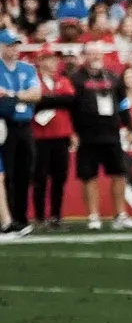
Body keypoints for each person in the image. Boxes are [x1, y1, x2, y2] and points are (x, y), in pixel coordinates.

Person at [69, 52, 132, 229]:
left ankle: (120, 214)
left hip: (112, 133)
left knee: (119, 173)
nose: (95, 57)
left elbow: (123, 103)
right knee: (89, 176)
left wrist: (129, 125)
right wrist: (72, 131)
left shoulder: (113, 77)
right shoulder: (76, 79)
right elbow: (70, 107)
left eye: (98, 53)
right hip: (87, 135)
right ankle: (93, 216)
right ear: (84, 56)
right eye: (92, 53)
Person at [29, 49, 74, 228]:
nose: (54, 62)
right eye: (49, 58)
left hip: (61, 135)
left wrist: (46, 101)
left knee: (59, 178)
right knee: (40, 178)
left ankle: (56, 215)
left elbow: (70, 100)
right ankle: (40, 216)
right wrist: (56, 100)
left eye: (55, 58)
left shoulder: (63, 80)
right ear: (39, 61)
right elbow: (35, 101)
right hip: (39, 137)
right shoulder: (34, 82)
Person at [0, 30, 36, 231]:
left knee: (25, 171)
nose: (14, 49)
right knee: (7, 173)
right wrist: (22, 96)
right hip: (5, 125)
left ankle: (21, 217)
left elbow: (36, 94)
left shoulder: (27, 68)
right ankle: (8, 217)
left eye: (16, 45)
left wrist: (12, 95)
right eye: (10, 45)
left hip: (24, 124)